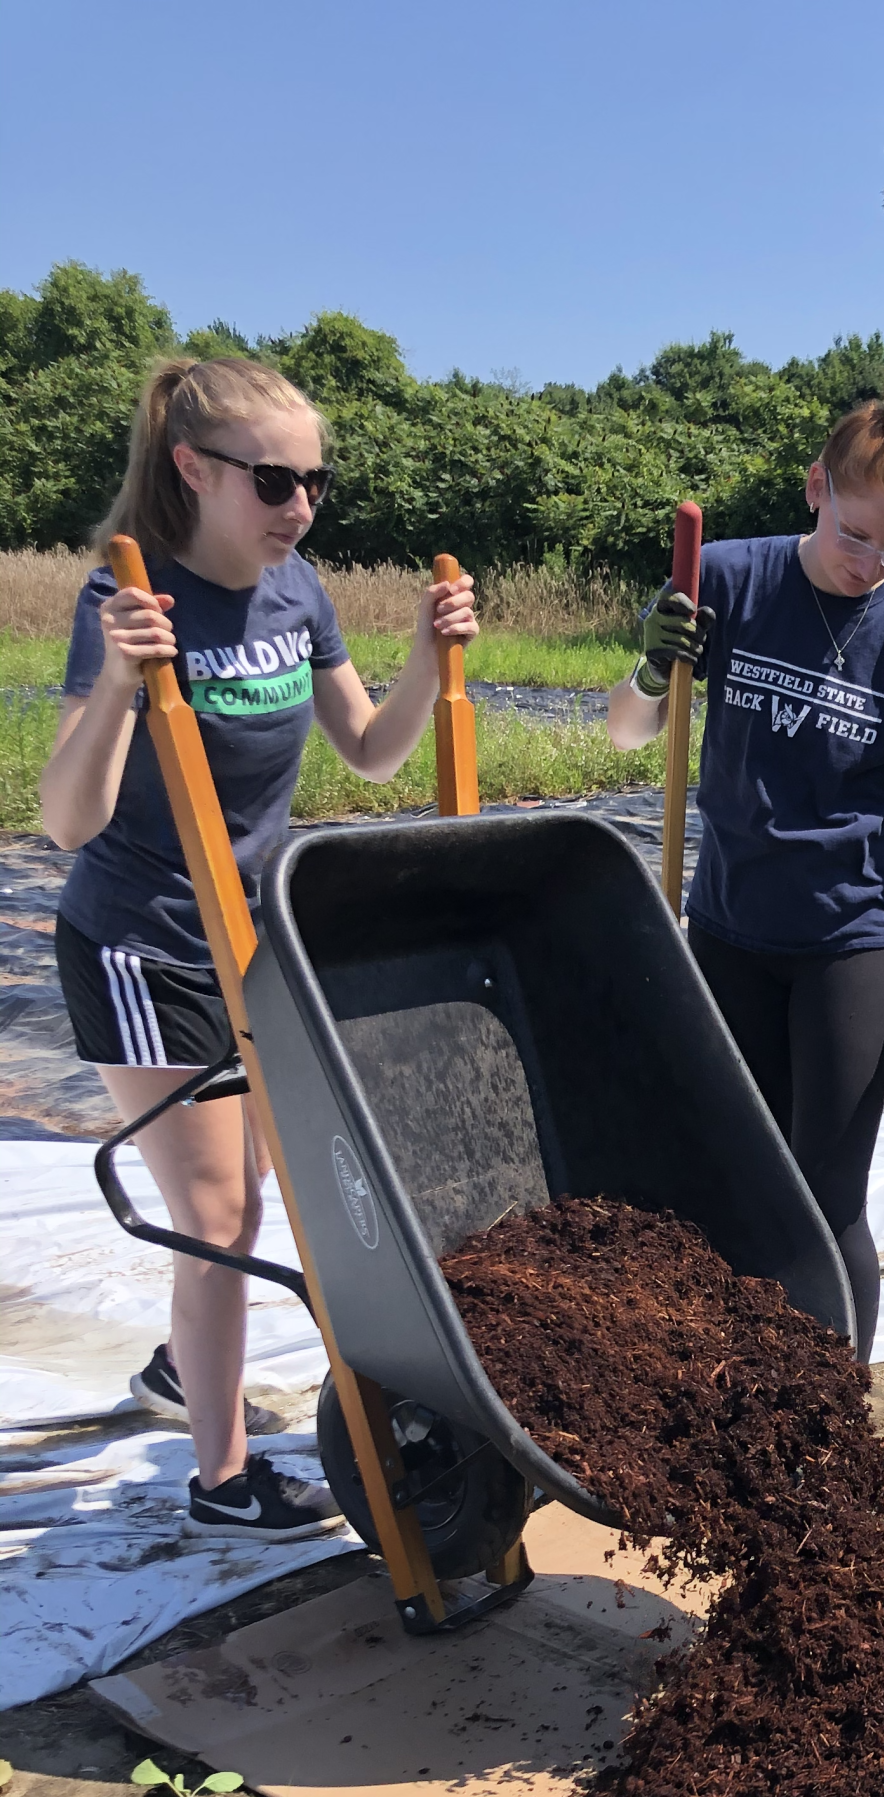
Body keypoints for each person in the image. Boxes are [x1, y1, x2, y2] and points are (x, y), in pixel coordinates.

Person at [40, 356, 478, 1537]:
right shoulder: (129, 595)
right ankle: (223, 1481)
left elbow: (372, 752)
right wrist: (124, 682)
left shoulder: (300, 590)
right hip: (144, 946)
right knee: (222, 1218)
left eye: (316, 483)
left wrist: (428, 655)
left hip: (256, 938)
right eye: (274, 481)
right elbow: (67, 819)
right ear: (193, 468)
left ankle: (184, 1358)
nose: (301, 506)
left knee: (279, 1178)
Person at [607, 360, 884, 1362]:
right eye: (855, 534)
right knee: (734, 1179)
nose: (871, 564)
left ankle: (837, 1407)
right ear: (816, 487)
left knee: (827, 1201)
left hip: (846, 947)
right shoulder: (725, 581)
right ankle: (735, 1381)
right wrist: (651, 665)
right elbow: (627, 732)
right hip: (726, 929)